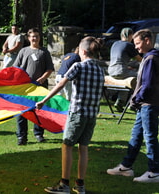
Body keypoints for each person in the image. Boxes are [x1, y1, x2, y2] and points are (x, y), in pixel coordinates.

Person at [36, 36, 104, 194]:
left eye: (79, 50)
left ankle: (64, 185)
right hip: (92, 115)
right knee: (84, 148)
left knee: (67, 145)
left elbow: (61, 84)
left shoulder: (78, 66)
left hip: (78, 113)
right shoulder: (100, 69)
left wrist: (44, 100)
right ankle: (80, 185)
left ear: (84, 51)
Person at [107, 29, 159, 183]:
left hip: (148, 103)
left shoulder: (151, 58)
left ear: (147, 40)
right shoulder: (150, 57)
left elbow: (147, 85)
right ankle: (126, 166)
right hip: (145, 104)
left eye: (137, 43)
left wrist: (135, 99)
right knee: (136, 135)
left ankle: (154, 171)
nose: (135, 47)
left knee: (149, 137)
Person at [13, 28, 54, 144]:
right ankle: (21, 137)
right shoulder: (23, 51)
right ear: (28, 38)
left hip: (39, 88)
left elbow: (50, 69)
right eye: (32, 36)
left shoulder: (44, 52)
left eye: (36, 36)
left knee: (39, 111)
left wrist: (42, 78)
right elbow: (17, 68)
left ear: (39, 38)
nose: (34, 38)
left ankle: (39, 134)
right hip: (25, 88)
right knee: (22, 112)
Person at [108, 27, 142, 112]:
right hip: (121, 71)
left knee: (127, 81)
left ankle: (120, 102)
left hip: (111, 70)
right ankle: (134, 103)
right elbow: (140, 59)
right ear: (131, 35)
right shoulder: (128, 45)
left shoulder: (115, 43)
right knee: (142, 78)